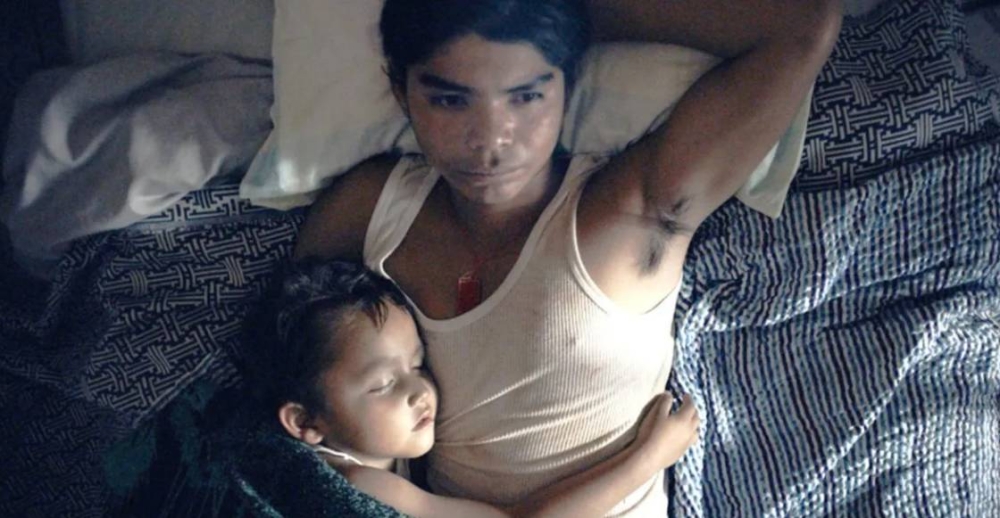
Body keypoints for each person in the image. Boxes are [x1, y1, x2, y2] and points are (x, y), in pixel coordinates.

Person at [294, 0, 842, 514]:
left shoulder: (632, 212)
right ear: (400, 91)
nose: (491, 140)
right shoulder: (369, 209)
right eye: (450, 100)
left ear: (567, 84)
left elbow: (804, 25)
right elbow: (290, 378)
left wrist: (570, 13)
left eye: (526, 97)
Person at [261, 259, 699, 517]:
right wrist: (648, 459)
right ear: (304, 422)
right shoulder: (362, 486)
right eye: (384, 384)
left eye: (418, 364)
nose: (419, 391)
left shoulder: (361, 458)